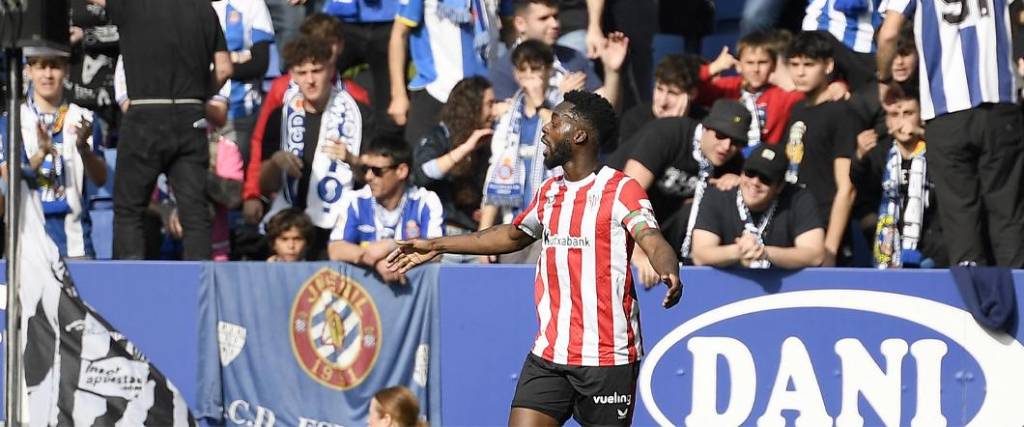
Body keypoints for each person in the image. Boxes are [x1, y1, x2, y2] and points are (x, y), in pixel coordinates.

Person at [386, 90, 683, 426]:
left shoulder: (621, 189)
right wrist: (439, 245)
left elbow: (650, 237)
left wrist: (667, 268)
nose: (545, 128)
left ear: (579, 135)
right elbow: (512, 235)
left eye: (555, 122)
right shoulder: (550, 191)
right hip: (550, 353)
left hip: (607, 357)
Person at [877, 0, 1024, 267]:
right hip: (999, 104)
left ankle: (978, 303)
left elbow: (888, 33)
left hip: (945, 113)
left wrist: (884, 78)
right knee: (1008, 213)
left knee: (961, 218)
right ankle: (1020, 300)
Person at [95, 0, 233, 260]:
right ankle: (198, 290)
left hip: (144, 115)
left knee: (129, 211)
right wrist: (196, 97)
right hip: (191, 115)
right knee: (195, 215)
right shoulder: (203, 8)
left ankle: (126, 288)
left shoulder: (131, 5)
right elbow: (225, 68)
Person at [259, 36, 365, 260]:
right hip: (293, 231)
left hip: (341, 229)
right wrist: (276, 161)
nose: (310, 80)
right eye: (302, 72)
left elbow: (377, 179)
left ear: (330, 69)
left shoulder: (359, 115)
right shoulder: (280, 117)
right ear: (292, 75)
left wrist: (352, 160)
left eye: (316, 71)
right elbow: (264, 183)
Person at [0, 47, 108, 259]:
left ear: (66, 71)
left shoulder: (84, 119)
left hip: (76, 245)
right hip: (26, 248)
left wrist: (84, 149)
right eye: (41, 67)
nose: (48, 75)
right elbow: (10, 180)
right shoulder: (10, 122)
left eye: (55, 67)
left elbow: (101, 178)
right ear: (28, 71)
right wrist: (41, 153)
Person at [613, 99, 749, 264]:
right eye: (720, 135)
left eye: (736, 142)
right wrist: (638, 254)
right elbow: (625, 196)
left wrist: (736, 186)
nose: (727, 146)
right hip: (609, 217)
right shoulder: (668, 134)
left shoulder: (732, 162)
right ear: (706, 126)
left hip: (663, 229)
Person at [478, 40, 567, 264]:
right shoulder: (509, 116)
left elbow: (564, 142)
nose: (529, 76)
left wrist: (539, 104)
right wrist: (483, 235)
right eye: (523, 70)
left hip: (553, 223)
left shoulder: (564, 105)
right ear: (516, 74)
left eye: (536, 69)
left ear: (548, 70)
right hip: (514, 222)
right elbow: (497, 170)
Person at [781, 31, 858, 267]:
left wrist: (830, 249)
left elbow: (847, 188)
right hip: (793, 222)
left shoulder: (841, 112)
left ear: (828, 66)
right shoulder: (796, 110)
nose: (800, 72)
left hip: (824, 226)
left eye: (808, 64)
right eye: (794, 64)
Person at [853, 85, 947, 268]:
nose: (902, 122)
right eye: (895, 115)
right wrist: (859, 157)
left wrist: (925, 134)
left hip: (932, 252)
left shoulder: (937, 151)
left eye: (908, 113)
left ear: (921, 117)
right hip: (888, 249)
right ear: (887, 121)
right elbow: (861, 184)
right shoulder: (880, 152)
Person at [328, 135, 444, 283]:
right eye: (365, 169)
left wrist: (392, 246)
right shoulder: (355, 200)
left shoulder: (425, 201)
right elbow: (336, 249)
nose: (369, 176)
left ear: (401, 171)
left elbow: (436, 251)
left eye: (377, 171)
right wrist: (374, 261)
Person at [387, 0, 503, 145]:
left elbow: (511, 25)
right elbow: (399, 34)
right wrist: (398, 95)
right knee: (423, 162)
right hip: (437, 93)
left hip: (485, 98)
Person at [691, 144, 825, 268]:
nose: (755, 182)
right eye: (750, 173)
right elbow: (700, 254)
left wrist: (764, 252)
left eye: (765, 178)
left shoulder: (798, 199)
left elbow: (815, 255)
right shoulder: (718, 196)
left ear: (779, 186)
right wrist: (739, 251)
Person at [411, 77, 496, 263]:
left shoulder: (489, 141)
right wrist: (465, 148)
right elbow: (424, 173)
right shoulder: (440, 136)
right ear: (472, 106)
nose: (494, 111)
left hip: (472, 239)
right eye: (490, 104)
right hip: (440, 238)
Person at [322, 0, 403, 139]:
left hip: (391, 19)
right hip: (341, 18)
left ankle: (384, 154)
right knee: (314, 76)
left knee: (389, 108)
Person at [212, 0, 275, 167]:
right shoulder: (185, 6)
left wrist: (221, 66)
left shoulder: (252, 3)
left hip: (240, 116)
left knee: (233, 187)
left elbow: (260, 63)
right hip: (197, 115)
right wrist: (235, 58)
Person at [616, 54, 706, 148]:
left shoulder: (703, 125)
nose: (662, 102)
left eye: (672, 93)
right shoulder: (634, 121)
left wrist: (678, 126)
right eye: (659, 89)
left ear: (692, 94)